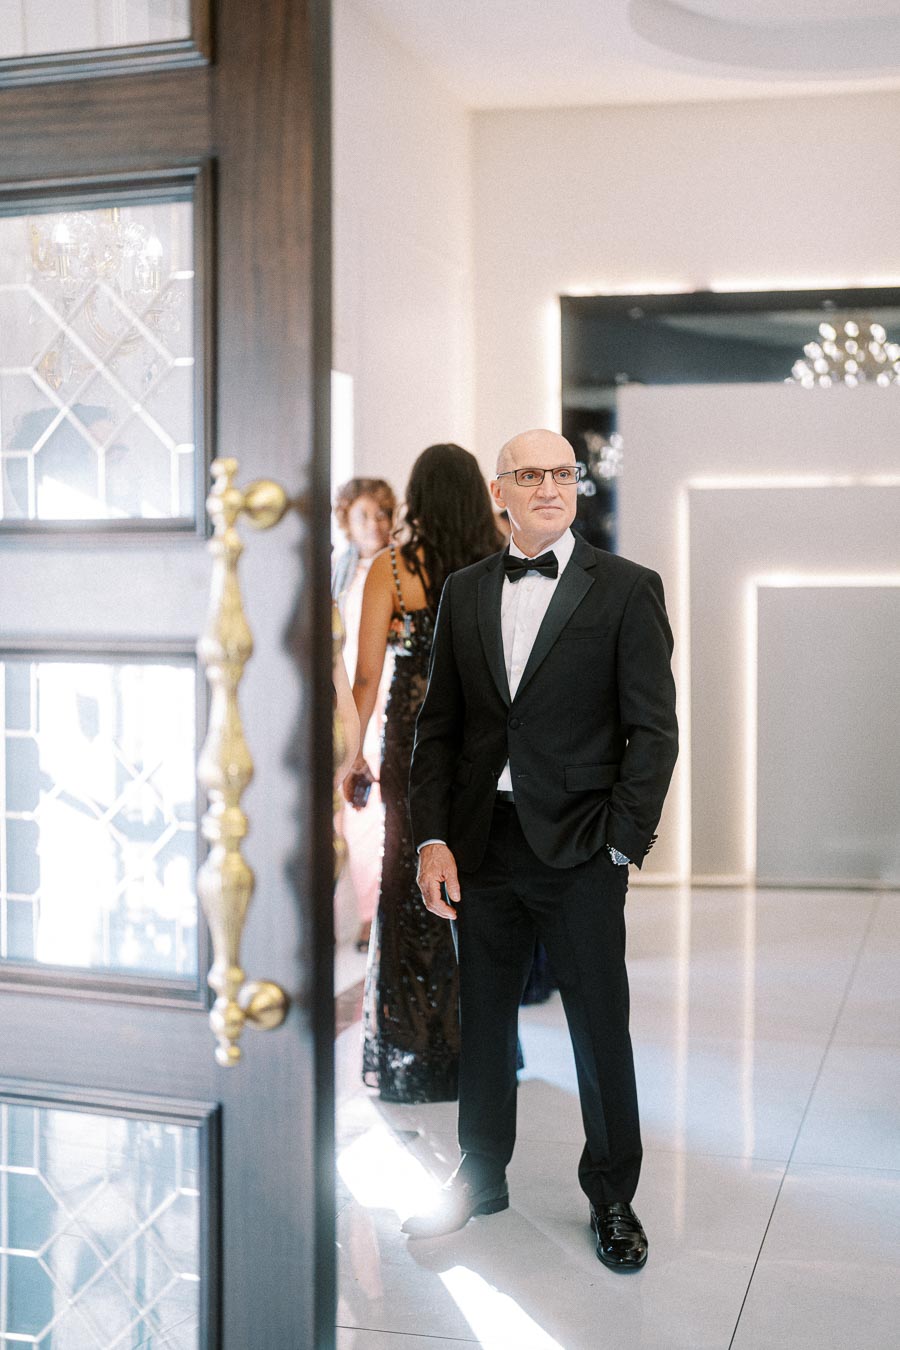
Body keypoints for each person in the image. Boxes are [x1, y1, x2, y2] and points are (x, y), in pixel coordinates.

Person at [405, 428, 678, 1272]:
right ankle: (481, 1175)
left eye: (563, 473)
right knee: (483, 1020)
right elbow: (440, 728)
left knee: (601, 1028)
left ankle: (614, 1197)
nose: (551, 488)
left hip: (583, 850)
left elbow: (654, 733)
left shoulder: (627, 589)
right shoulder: (464, 590)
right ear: (501, 492)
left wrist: (621, 847)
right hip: (484, 846)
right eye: (532, 475)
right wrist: (433, 838)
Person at [344, 444, 502, 1103]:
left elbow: (365, 678)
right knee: (483, 888)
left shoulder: (395, 570)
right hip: (486, 744)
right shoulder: (499, 566)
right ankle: (485, 1054)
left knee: (411, 893)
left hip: (412, 741)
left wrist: (350, 753)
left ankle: (415, 1053)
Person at [332, 478, 396, 948]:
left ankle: (384, 912)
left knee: (385, 808)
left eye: (381, 514)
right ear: (346, 522)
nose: (374, 524)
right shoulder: (338, 574)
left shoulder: (401, 570)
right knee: (355, 809)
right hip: (348, 700)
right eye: (363, 516)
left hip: (389, 697)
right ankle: (366, 910)